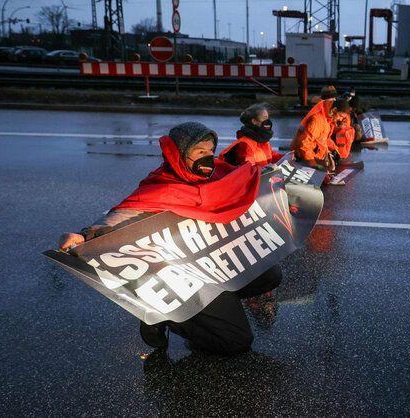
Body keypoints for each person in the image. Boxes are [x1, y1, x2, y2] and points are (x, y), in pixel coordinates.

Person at [58, 121, 282, 356]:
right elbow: (123, 217)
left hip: (215, 264)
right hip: (188, 276)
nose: (208, 159)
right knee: (237, 342)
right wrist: (86, 236)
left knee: (271, 274)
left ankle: (217, 307)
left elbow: (247, 181)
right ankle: (167, 316)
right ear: (179, 154)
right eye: (200, 152)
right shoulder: (160, 189)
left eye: (210, 152)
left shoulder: (216, 175)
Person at [290, 94, 351, 170]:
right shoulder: (317, 120)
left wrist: (334, 149)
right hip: (305, 158)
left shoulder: (327, 117)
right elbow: (304, 143)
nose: (340, 120)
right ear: (334, 110)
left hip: (312, 156)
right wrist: (312, 163)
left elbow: (323, 138)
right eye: (340, 116)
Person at [218, 103, 283, 167]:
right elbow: (249, 168)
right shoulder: (245, 144)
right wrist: (268, 169)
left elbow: (271, 156)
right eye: (264, 118)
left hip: (261, 176)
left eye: (268, 118)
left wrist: (289, 158)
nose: (268, 121)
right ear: (254, 121)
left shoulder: (262, 141)